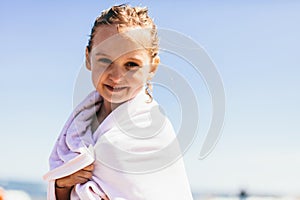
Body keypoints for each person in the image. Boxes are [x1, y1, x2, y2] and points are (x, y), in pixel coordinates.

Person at [44, 4, 193, 200]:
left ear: (152, 66)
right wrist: (62, 185)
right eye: (105, 61)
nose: (116, 77)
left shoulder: (153, 131)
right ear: (88, 58)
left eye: (131, 64)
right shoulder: (79, 125)